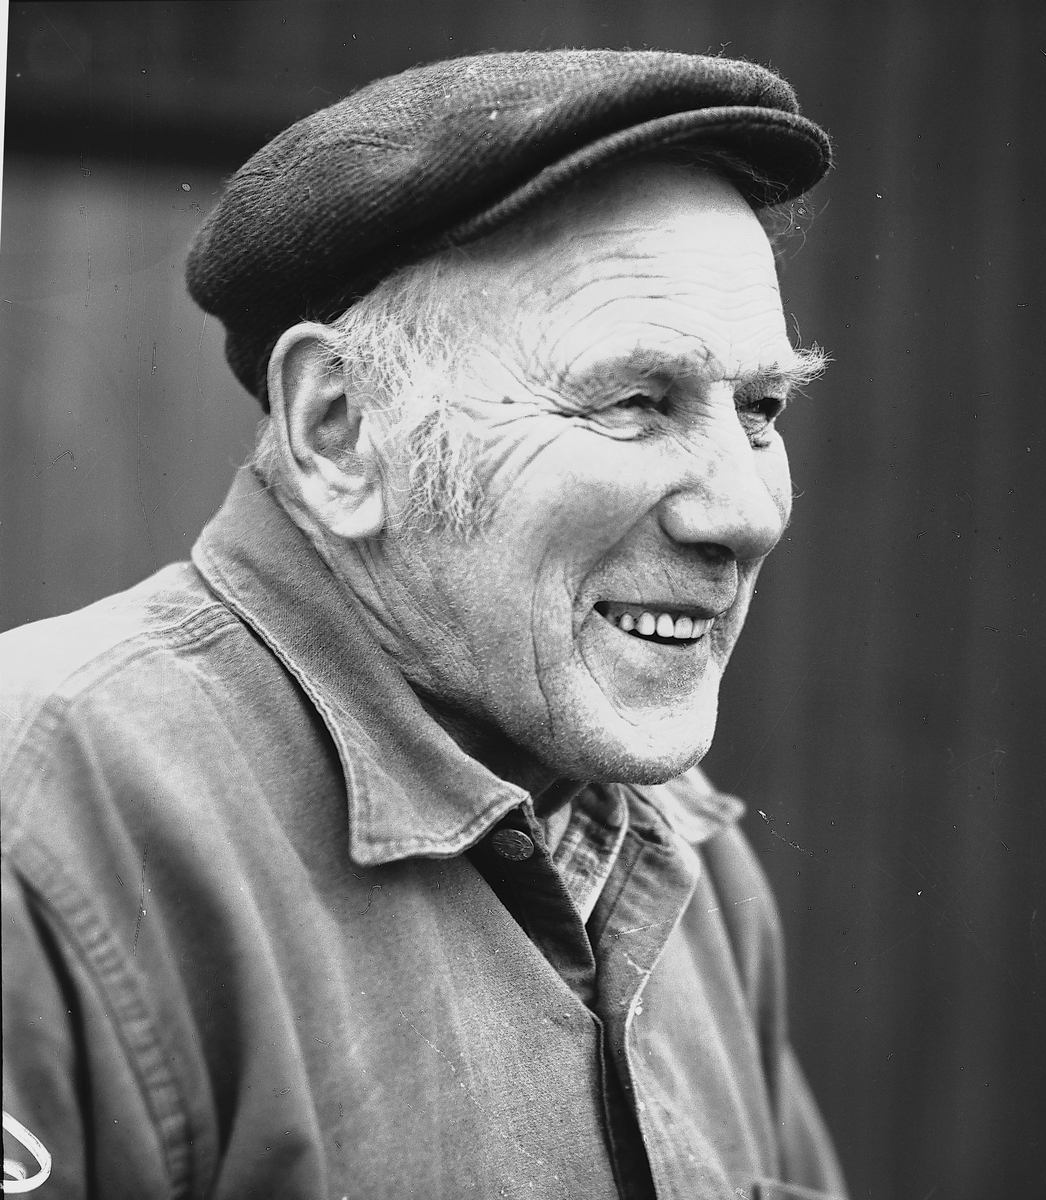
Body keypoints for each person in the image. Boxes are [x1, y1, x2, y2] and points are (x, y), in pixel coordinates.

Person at [1, 49, 848, 1200]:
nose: (744, 513)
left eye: (760, 409)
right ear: (341, 429)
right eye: (636, 401)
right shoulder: (47, 813)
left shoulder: (689, 856)